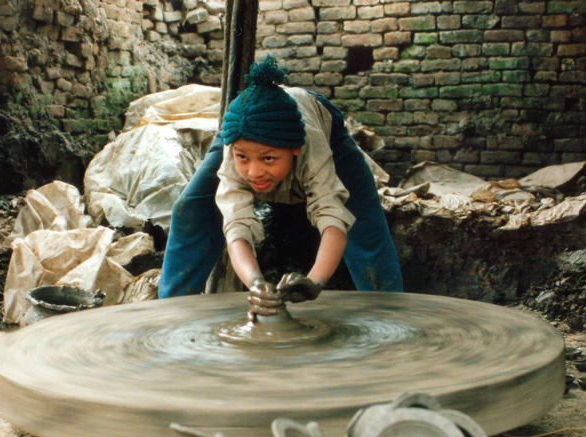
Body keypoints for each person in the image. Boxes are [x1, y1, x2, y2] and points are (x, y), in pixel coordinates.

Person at [158, 55, 403, 315]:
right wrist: (255, 283)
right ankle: (172, 312)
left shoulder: (312, 147)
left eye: (268, 158)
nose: (254, 172)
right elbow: (237, 225)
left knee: (363, 217)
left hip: (315, 117)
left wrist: (314, 282)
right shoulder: (234, 150)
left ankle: (388, 313)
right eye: (243, 158)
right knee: (191, 208)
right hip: (246, 121)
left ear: (295, 151)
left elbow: (332, 217)